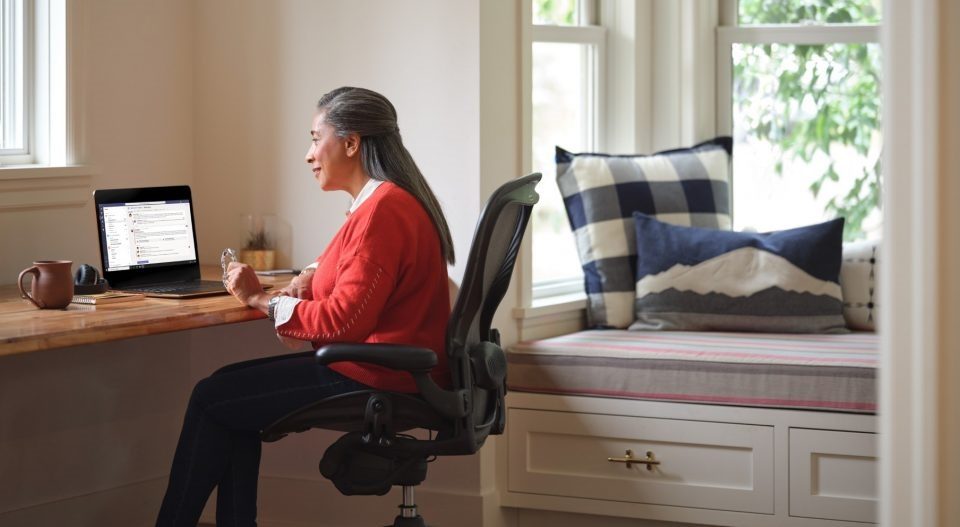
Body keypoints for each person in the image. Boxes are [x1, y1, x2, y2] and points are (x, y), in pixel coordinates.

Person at [155, 87, 455, 527]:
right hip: (389, 368)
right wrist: (310, 275)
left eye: (316, 138)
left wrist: (261, 299)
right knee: (224, 396)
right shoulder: (382, 201)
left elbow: (344, 321)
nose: (309, 154)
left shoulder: (383, 211)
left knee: (211, 397)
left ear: (351, 143)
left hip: (377, 376)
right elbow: (346, 259)